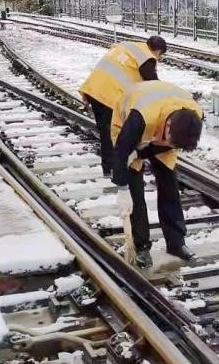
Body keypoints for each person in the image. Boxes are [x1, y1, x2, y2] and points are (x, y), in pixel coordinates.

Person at [111, 80, 203, 269]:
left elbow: (166, 145)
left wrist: (153, 149)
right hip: (128, 123)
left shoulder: (194, 116)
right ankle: (141, 245)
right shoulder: (139, 118)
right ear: (167, 125)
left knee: (170, 184)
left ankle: (177, 243)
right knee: (135, 188)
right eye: (171, 142)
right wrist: (122, 189)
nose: (170, 147)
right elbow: (121, 152)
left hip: (161, 126)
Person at [79, 36, 167, 176]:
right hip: (109, 97)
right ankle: (116, 169)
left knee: (105, 132)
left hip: (93, 90)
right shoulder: (147, 58)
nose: (158, 59)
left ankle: (109, 168)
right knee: (115, 134)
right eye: (160, 55)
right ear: (157, 51)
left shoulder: (129, 46)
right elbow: (152, 84)